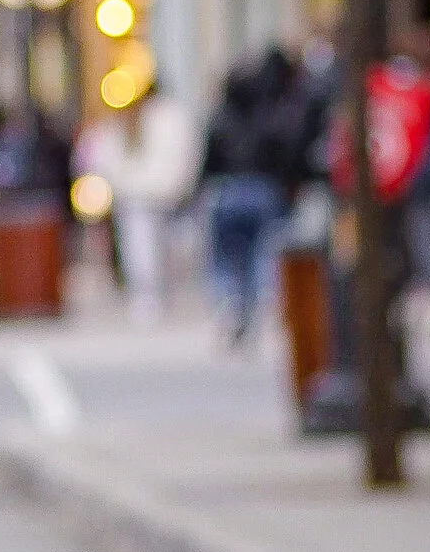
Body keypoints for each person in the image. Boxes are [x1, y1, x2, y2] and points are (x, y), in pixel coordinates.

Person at [80, 79, 198, 321]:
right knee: (143, 247)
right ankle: (151, 296)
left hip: (150, 192)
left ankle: (154, 295)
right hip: (142, 194)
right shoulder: (131, 123)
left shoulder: (164, 120)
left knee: (148, 247)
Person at [198, 55, 294, 344]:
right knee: (261, 254)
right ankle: (263, 305)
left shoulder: (219, 120)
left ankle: (232, 305)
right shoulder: (270, 119)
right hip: (262, 192)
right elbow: (282, 160)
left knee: (227, 258)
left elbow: (208, 162)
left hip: (227, 193)